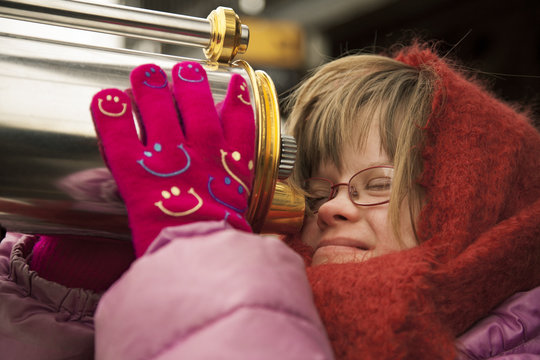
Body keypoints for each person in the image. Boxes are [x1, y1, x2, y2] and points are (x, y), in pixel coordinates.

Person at [0, 43, 538, 360]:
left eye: (378, 184)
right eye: (316, 188)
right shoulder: (264, 277)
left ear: (480, 207)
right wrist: (86, 270)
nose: (330, 209)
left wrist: (198, 254)